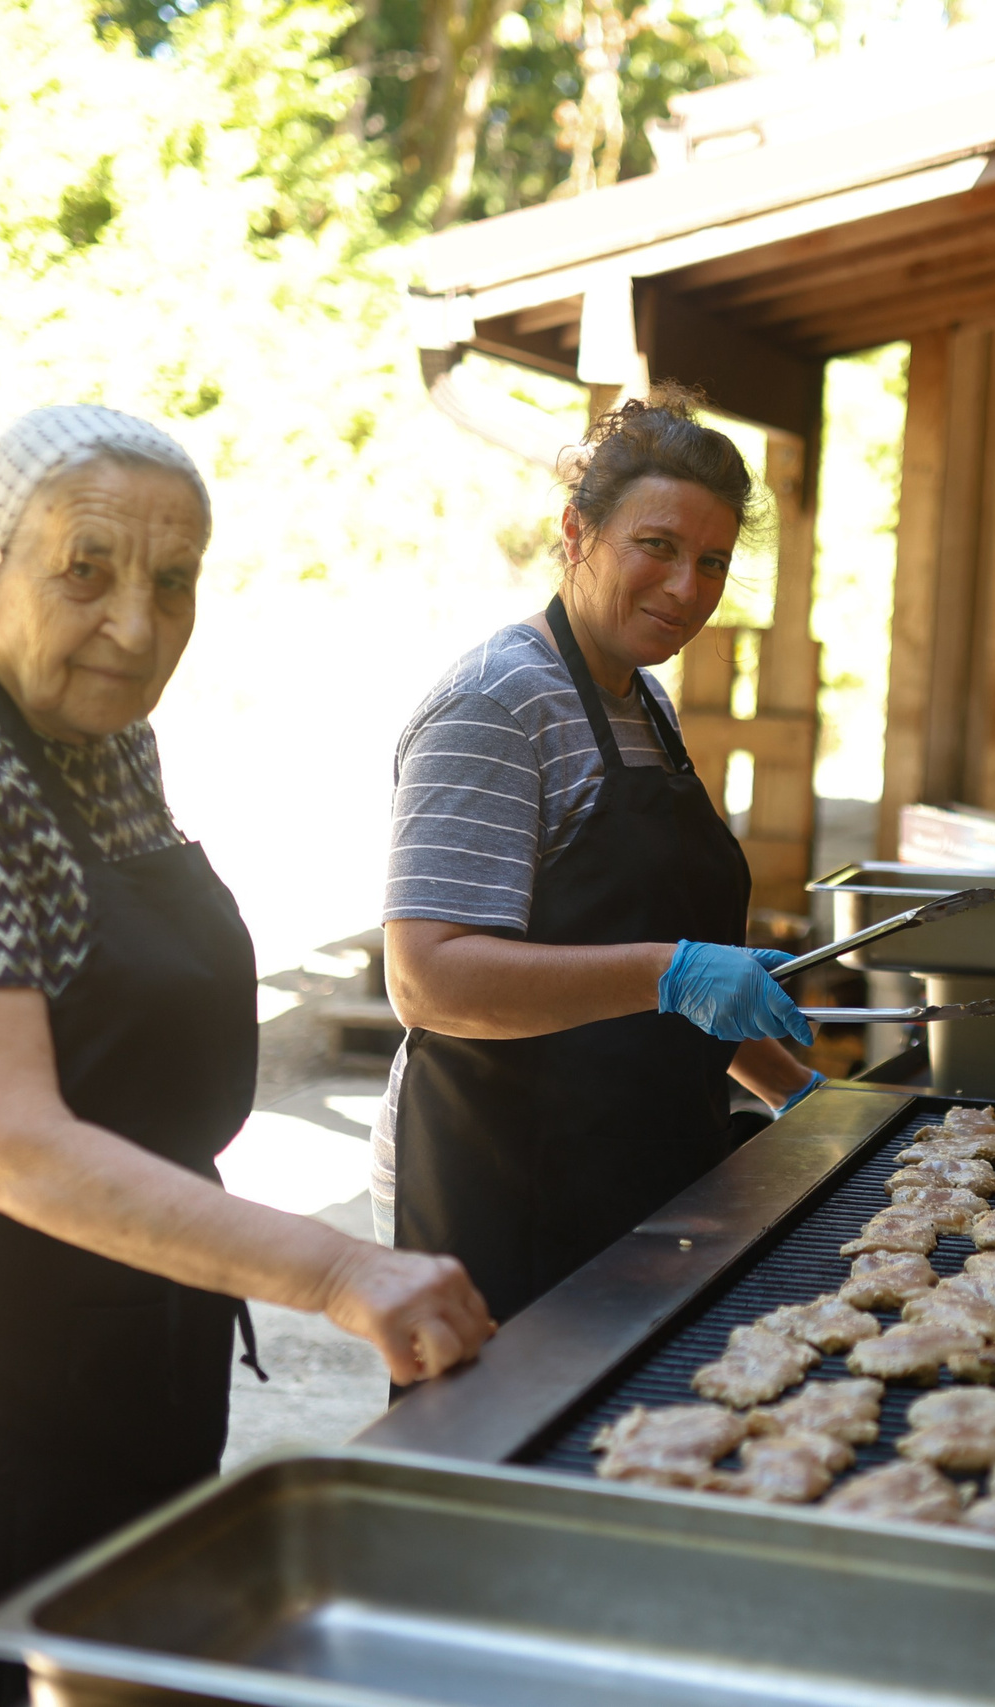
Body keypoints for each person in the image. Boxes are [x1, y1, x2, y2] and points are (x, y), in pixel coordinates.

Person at [0, 406, 494, 1707]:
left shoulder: (109, 744)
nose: (135, 624)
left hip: (124, 1351)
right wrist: (339, 1264)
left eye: (172, 582)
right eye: (86, 568)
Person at [373, 388, 820, 1328]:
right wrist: (676, 971)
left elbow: (677, 982)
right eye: (655, 547)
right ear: (577, 532)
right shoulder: (496, 705)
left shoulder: (641, 703)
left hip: (632, 1173)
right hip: (504, 1186)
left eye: (711, 562)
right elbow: (428, 979)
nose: (686, 588)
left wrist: (808, 1101)